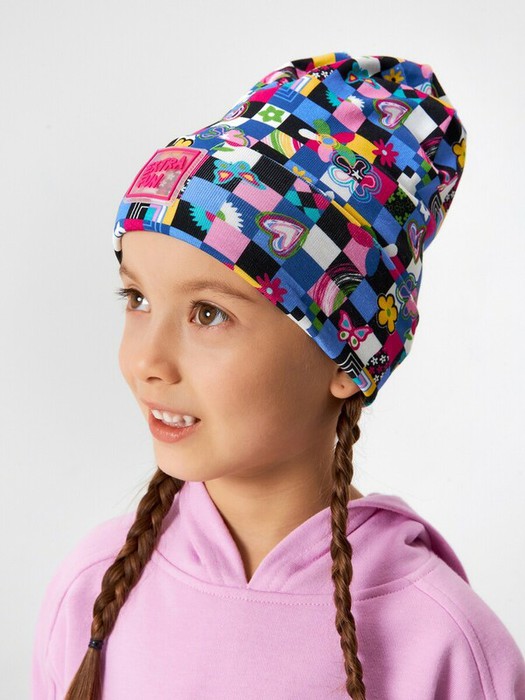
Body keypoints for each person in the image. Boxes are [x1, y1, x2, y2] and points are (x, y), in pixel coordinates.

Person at [31, 52, 525, 700]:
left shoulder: (444, 642)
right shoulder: (94, 591)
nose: (147, 361)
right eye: (137, 298)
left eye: (208, 314)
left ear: (344, 358)